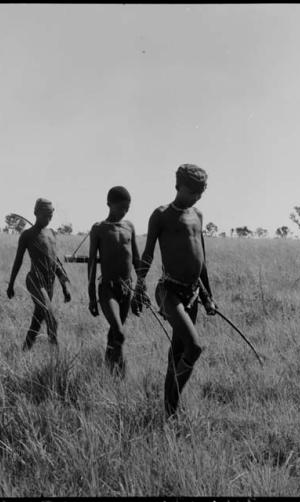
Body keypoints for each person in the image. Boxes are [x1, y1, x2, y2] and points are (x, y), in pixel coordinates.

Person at [131, 164, 217, 417]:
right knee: (194, 347)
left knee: (178, 352)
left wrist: (208, 296)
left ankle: (169, 411)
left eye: (201, 193)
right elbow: (147, 253)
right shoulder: (161, 215)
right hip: (169, 291)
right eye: (193, 192)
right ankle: (172, 407)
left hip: (193, 294)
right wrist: (139, 286)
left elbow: (201, 260)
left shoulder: (198, 215)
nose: (197, 197)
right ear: (178, 187)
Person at [88, 186, 140, 377]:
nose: (124, 211)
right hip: (107, 290)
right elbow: (92, 263)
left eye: (127, 208)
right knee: (119, 332)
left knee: (114, 334)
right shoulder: (99, 229)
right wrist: (91, 294)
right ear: (109, 204)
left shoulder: (130, 227)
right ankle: (122, 375)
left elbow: (136, 260)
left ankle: (108, 374)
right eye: (120, 207)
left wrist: (141, 288)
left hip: (126, 289)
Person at [7, 198, 71, 350]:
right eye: (44, 215)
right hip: (35, 280)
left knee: (37, 320)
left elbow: (55, 262)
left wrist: (64, 286)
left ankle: (24, 351)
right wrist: (11, 285)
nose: (48, 218)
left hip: (50, 283)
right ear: (36, 213)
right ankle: (55, 359)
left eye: (50, 215)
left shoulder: (52, 234)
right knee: (52, 320)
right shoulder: (27, 235)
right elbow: (18, 261)